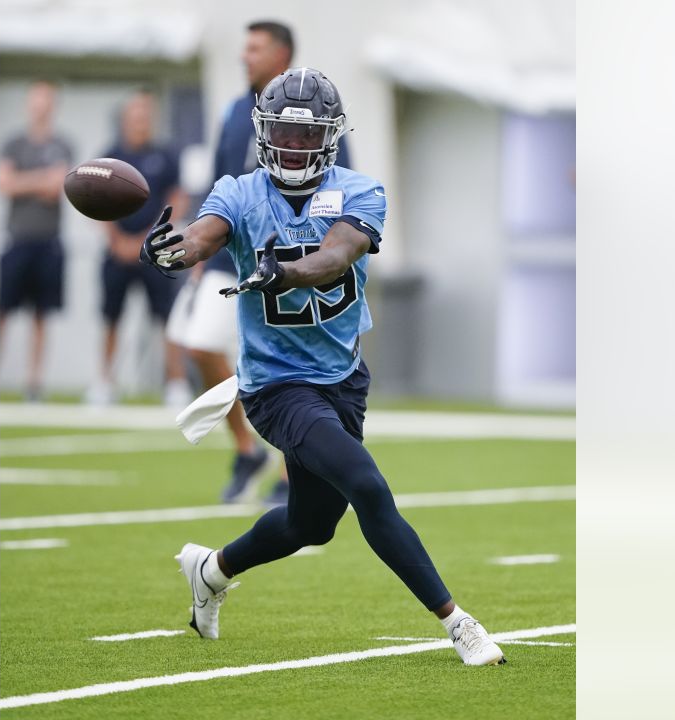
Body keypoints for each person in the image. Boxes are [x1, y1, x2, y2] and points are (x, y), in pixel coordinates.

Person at [142, 68, 506, 666]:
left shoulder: (361, 191)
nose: (294, 147)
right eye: (283, 133)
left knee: (311, 525)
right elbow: (206, 236)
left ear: (332, 138)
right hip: (276, 385)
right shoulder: (238, 190)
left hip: (342, 379)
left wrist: (283, 272)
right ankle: (458, 623)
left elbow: (336, 256)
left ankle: (211, 569)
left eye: (308, 136)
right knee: (366, 483)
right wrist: (175, 249)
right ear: (264, 134)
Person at [167, 20, 352, 505]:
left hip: (295, 257)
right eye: (244, 48)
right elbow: (218, 182)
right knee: (201, 343)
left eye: (256, 48)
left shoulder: (320, 109)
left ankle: (294, 474)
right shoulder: (234, 111)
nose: (245, 56)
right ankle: (248, 449)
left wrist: (321, 256)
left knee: (298, 364)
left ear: (283, 53)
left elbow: (342, 185)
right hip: (235, 253)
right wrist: (198, 245)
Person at [88, 90, 191, 408]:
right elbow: (95, 200)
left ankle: (175, 383)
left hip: (155, 251)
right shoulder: (110, 155)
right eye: (135, 115)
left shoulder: (166, 155)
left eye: (146, 115)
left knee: (167, 318)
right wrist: (116, 240)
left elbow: (178, 198)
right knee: (110, 318)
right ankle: (104, 383)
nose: (140, 121)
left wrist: (151, 238)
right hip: (117, 251)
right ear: (125, 119)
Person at [0, 80, 74, 402]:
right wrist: (38, 180)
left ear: (52, 105)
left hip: (49, 240)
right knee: (1, 311)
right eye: (36, 100)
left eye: (46, 100)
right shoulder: (14, 143)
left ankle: (34, 383)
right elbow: (5, 184)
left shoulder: (63, 144)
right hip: (17, 239)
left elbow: (58, 186)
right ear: (29, 104)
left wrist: (25, 180)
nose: (40, 106)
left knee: (41, 315)